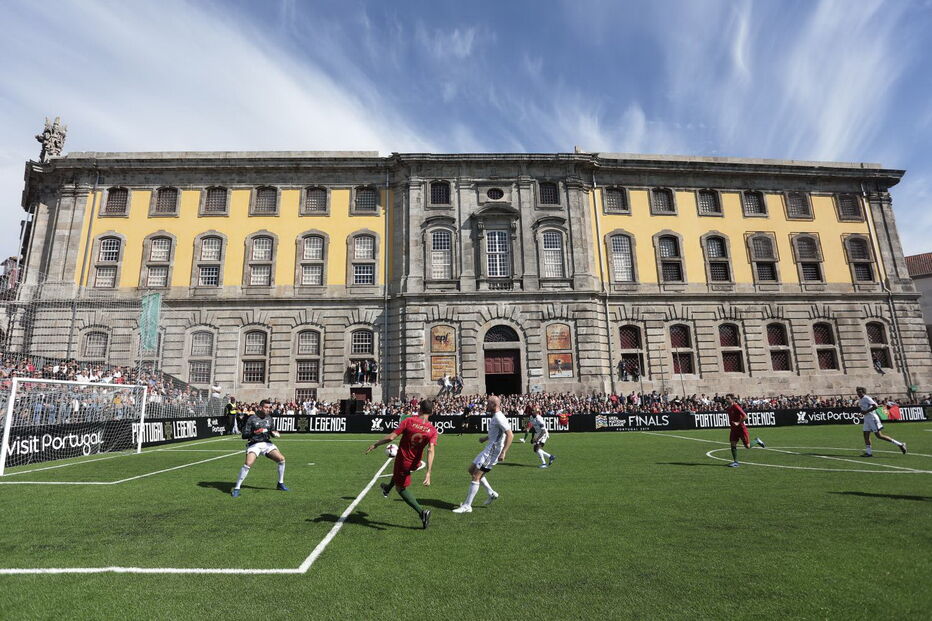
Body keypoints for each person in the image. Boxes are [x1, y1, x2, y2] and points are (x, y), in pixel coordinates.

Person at [365, 399, 437, 529]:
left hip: (404, 460)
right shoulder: (432, 430)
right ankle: (387, 488)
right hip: (414, 462)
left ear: (419, 409)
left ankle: (422, 512)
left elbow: (391, 437)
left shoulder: (409, 421)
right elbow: (431, 450)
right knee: (398, 475)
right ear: (431, 412)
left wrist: (375, 444)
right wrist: (428, 473)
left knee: (400, 488)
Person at [453, 395, 513, 513]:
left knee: (476, 475)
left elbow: (510, 435)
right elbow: (497, 433)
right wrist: (485, 438)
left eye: (488, 403)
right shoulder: (495, 416)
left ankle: (467, 506)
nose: (486, 405)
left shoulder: (500, 418)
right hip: (489, 448)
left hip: (492, 451)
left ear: (494, 405)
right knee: (471, 470)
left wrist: (503, 452)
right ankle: (491, 493)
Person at [231, 399, 288, 497]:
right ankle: (237, 488)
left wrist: (274, 433)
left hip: (266, 444)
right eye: (266, 407)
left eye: (269, 407)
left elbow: (271, 430)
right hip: (254, 444)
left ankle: (280, 483)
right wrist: (254, 432)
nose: (268, 409)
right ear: (260, 407)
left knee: (282, 459)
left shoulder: (269, 418)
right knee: (248, 464)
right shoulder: (252, 418)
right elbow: (244, 435)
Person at [857, 387, 907, 456]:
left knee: (879, 435)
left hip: (872, 418)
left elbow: (876, 406)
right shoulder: (861, 400)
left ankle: (900, 444)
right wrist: (860, 414)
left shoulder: (867, 398)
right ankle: (869, 453)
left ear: (863, 392)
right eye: (857, 392)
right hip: (867, 419)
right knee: (865, 434)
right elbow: (864, 410)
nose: (858, 393)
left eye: (860, 392)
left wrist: (866, 412)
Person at [725, 394, 765, 467]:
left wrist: (738, 423)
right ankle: (736, 462)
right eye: (726, 398)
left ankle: (756, 440)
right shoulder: (728, 408)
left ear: (732, 399)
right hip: (734, 429)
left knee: (747, 446)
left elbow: (745, 416)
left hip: (741, 429)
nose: (726, 400)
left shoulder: (736, 406)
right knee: (733, 444)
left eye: (728, 398)